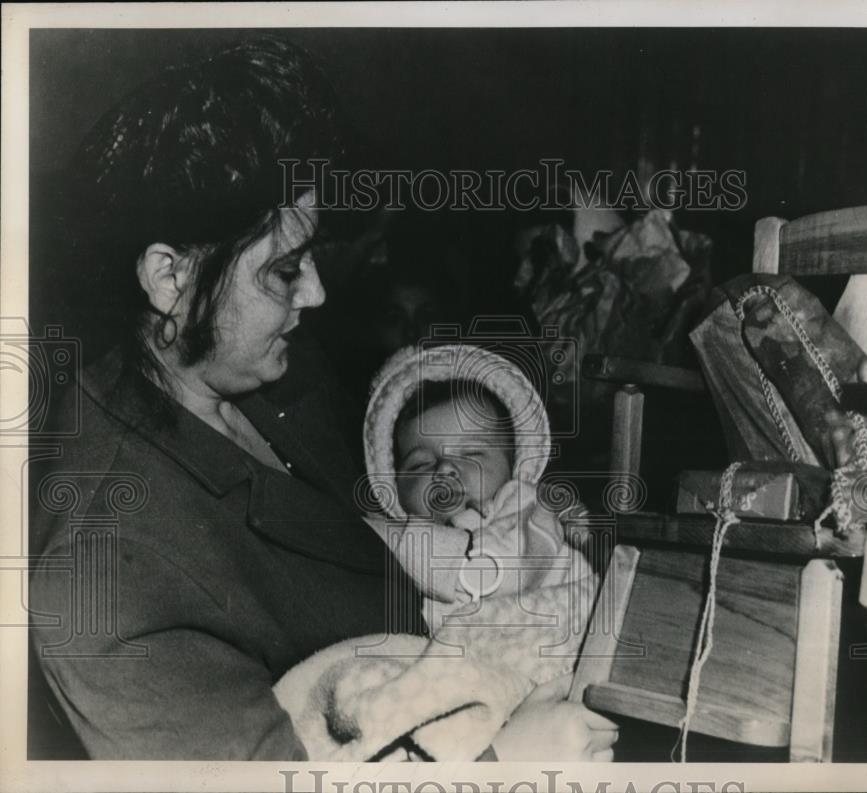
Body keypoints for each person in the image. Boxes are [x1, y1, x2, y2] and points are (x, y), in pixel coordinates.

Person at [28, 36, 617, 762]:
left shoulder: (277, 371)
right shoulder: (106, 573)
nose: (318, 292)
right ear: (167, 277)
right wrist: (504, 763)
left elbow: (395, 517)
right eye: (285, 270)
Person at [363, 345, 592, 632]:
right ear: (393, 488)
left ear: (515, 467)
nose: (444, 468)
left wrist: (387, 538)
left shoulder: (526, 511)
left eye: (471, 453)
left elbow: (497, 575)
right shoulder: (389, 553)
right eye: (420, 464)